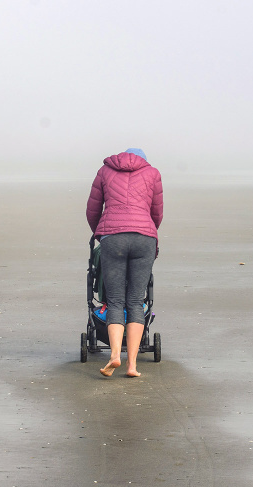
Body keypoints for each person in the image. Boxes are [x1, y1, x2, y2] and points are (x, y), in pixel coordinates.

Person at [86, 148, 163, 378]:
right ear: (143, 160)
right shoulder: (152, 173)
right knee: (136, 301)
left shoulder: (104, 171)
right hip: (144, 238)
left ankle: (115, 355)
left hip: (113, 238)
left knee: (116, 300)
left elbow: (93, 210)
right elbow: (156, 212)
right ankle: (132, 366)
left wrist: (101, 232)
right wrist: (148, 231)